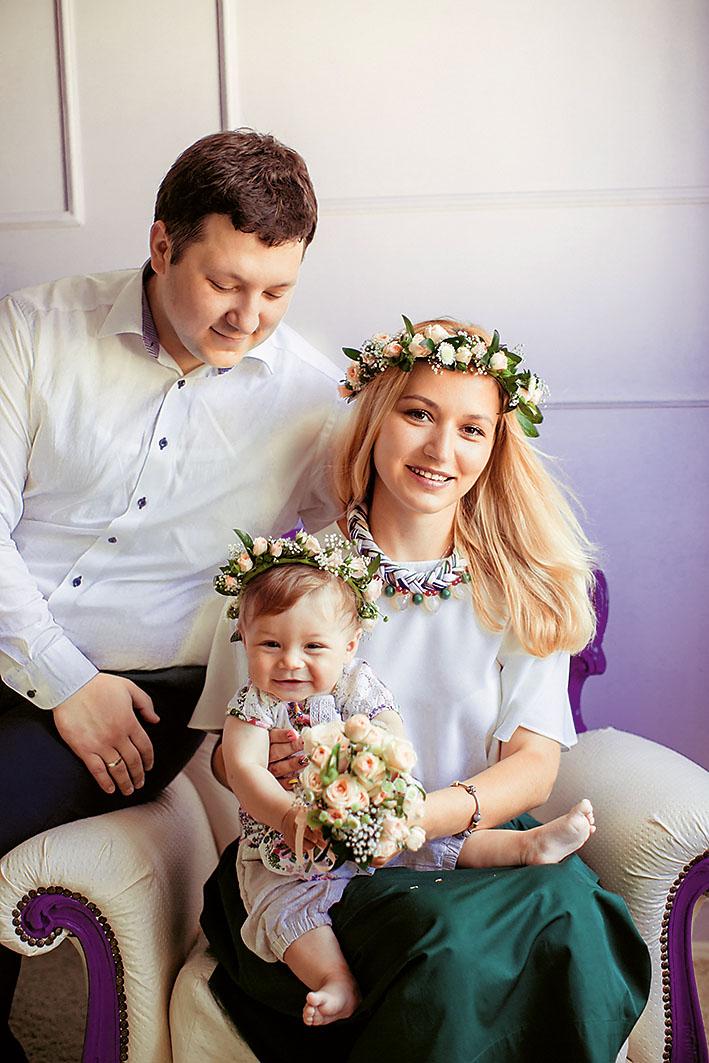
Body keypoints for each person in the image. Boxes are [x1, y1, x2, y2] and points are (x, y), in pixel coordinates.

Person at [194, 318, 651, 1062]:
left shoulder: (526, 588)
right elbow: (228, 754)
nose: (441, 450)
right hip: (322, 864)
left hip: (469, 842)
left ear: (494, 446)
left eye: (471, 429)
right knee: (449, 949)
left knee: (570, 912)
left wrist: (411, 820)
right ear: (376, 420)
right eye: (418, 414)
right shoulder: (283, 578)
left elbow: (533, 766)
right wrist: (279, 777)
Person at [0, 128, 342, 1060]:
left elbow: (355, 561)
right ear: (161, 245)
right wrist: (63, 678)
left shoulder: (315, 403)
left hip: (144, 696)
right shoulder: (32, 327)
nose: (250, 316)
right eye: (226, 283)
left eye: (276, 291)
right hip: (31, 651)